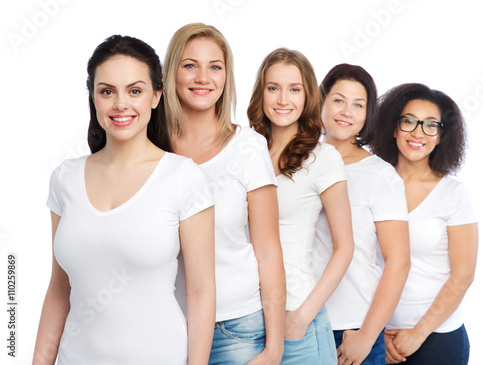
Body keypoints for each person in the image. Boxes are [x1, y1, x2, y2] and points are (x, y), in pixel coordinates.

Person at [32, 35, 216, 365]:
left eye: (135, 90)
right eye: (107, 91)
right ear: (94, 98)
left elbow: (201, 294)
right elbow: (59, 290)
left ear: (156, 96)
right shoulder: (65, 179)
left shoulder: (184, 178)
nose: (121, 104)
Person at [162, 23, 286, 365]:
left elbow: (269, 251)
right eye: (190, 65)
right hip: (163, 328)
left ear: (226, 76)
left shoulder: (248, 147)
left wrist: (273, 347)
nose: (203, 77)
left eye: (214, 67)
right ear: (171, 73)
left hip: (234, 329)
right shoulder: (151, 149)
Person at [248, 48, 354, 364]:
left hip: (296, 316)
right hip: (248, 316)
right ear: (261, 93)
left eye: (294, 89)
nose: (283, 99)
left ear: (307, 96)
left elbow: (345, 247)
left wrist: (302, 316)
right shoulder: (246, 152)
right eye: (273, 88)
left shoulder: (323, 159)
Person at [370, 83, 478, 365]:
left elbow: (463, 275)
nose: (418, 132)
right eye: (409, 121)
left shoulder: (454, 193)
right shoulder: (370, 184)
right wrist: (372, 332)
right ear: (393, 128)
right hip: (375, 335)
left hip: (437, 339)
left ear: (441, 136)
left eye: (431, 125)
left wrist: (418, 334)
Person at [312, 63, 411, 365]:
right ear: (322, 103)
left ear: (368, 115)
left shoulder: (380, 175)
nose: (346, 111)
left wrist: (367, 336)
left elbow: (399, 262)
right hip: (298, 322)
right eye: (339, 100)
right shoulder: (299, 161)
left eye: (358, 105)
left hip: (351, 328)